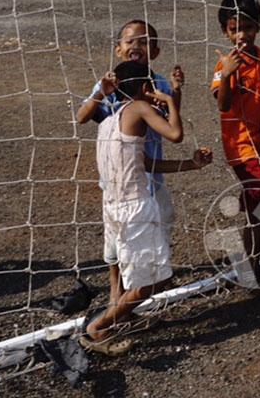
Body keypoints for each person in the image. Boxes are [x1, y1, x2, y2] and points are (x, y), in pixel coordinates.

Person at [83, 61, 213, 355]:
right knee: (156, 280)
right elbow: (175, 134)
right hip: (135, 209)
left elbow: (146, 165)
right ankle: (98, 328)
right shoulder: (139, 108)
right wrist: (169, 100)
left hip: (116, 208)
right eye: (153, 87)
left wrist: (191, 165)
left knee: (149, 279)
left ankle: (114, 319)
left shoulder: (109, 122)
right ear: (145, 88)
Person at [76, 19, 182, 305]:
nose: (137, 45)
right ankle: (116, 288)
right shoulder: (111, 83)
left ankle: (153, 279)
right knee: (116, 241)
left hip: (152, 172)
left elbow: (172, 121)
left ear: (156, 52)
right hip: (121, 181)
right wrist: (102, 92)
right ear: (119, 49)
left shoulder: (157, 82)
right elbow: (82, 116)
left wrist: (175, 92)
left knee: (161, 223)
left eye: (145, 41)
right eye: (130, 41)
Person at [210, 0, 260, 284]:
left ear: (258, 27)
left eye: (247, 27)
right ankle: (247, 263)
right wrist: (227, 75)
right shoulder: (226, 65)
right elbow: (223, 104)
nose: (241, 35)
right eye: (234, 28)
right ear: (225, 31)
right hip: (242, 147)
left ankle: (250, 262)